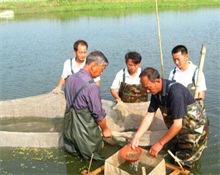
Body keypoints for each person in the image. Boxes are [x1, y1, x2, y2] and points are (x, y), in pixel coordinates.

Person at [131, 67, 208, 168]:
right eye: (145, 88)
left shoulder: (175, 93)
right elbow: (149, 116)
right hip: (179, 126)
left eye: (148, 87)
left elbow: (177, 125)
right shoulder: (155, 93)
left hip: (193, 129)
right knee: (173, 151)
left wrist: (159, 143)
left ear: (158, 81)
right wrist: (137, 137)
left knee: (184, 161)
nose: (147, 91)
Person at [63, 50, 112, 160]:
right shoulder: (91, 87)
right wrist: (105, 129)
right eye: (102, 69)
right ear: (94, 65)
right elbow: (98, 114)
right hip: (86, 134)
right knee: (93, 159)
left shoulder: (70, 78)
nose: (102, 73)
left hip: (69, 130)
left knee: (73, 158)